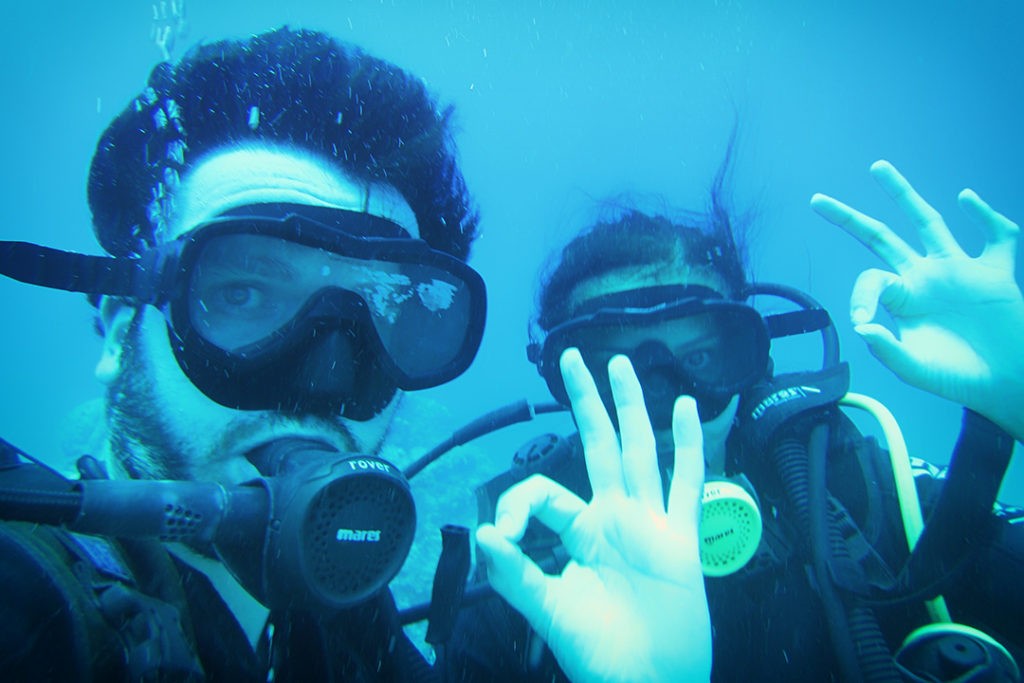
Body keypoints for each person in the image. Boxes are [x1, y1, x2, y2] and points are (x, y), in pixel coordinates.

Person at [0, 27, 712, 682]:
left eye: (378, 316)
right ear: (123, 326)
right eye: (244, 293)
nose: (326, 380)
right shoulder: (33, 606)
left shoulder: (342, 621)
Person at [450, 158, 1024, 682]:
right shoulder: (519, 575)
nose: (666, 409)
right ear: (568, 384)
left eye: (700, 360)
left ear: (753, 362)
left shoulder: (864, 494)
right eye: (617, 372)